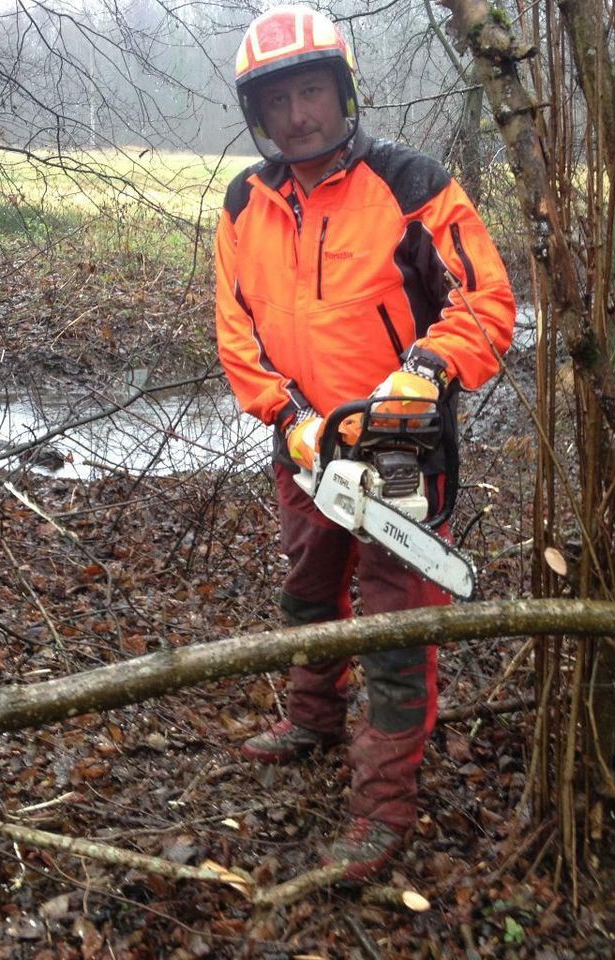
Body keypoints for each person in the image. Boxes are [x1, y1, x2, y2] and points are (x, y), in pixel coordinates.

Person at [214, 4, 515, 881]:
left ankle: (383, 804)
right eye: (281, 100)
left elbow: (488, 302)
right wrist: (286, 417)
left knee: (395, 623)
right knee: (309, 588)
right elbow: (236, 332)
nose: (298, 113)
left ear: (342, 92)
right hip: (304, 444)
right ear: (258, 114)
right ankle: (311, 716)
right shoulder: (245, 201)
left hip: (400, 449)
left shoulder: (411, 181)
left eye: (312, 91)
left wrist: (426, 370)